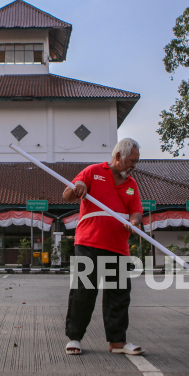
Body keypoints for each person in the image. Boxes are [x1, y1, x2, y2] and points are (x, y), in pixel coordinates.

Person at [62, 138, 144, 356]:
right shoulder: (92, 171)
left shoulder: (131, 185)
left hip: (118, 246)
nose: (134, 165)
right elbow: (67, 195)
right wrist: (78, 186)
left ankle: (117, 342)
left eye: (136, 161)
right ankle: (75, 338)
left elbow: (136, 210)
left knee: (118, 295)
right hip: (89, 242)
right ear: (118, 156)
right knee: (83, 291)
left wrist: (135, 222)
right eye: (132, 161)